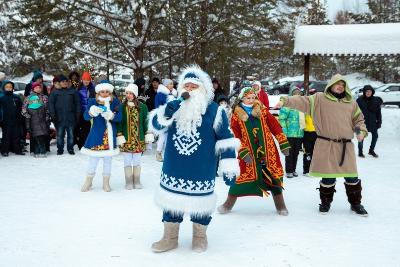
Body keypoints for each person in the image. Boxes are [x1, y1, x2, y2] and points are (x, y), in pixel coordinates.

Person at [149, 65, 240, 253]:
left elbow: (226, 138)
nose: (189, 90)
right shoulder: (173, 106)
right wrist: (166, 113)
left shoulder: (215, 111)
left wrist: (229, 166)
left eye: (194, 87)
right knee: (172, 203)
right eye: (186, 86)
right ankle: (170, 237)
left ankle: (200, 236)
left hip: (202, 168)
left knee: (201, 206)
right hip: (174, 168)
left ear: (204, 90)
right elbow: (156, 127)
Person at [275, 74, 368, 216]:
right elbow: (301, 101)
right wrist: (285, 100)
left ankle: (356, 203)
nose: (340, 87)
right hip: (326, 144)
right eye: (337, 84)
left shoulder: (351, 103)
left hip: (345, 146)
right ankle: (325, 203)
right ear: (331, 85)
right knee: (328, 177)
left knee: (352, 177)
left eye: (343, 85)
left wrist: (360, 131)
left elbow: (358, 120)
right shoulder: (319, 99)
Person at [218, 87, 290, 216]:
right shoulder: (236, 115)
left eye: (253, 97)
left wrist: (283, 143)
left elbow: (275, 126)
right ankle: (227, 205)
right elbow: (236, 135)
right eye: (248, 98)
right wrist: (243, 152)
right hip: (248, 153)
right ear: (242, 99)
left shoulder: (262, 110)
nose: (251, 100)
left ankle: (281, 206)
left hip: (268, 152)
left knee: (274, 178)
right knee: (240, 180)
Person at [80, 81, 122, 192]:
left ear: (110, 92)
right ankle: (88, 182)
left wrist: (111, 115)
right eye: (102, 91)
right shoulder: (93, 101)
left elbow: (120, 117)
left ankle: (106, 183)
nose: (104, 93)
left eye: (107, 91)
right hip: (96, 136)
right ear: (98, 92)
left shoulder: (115, 102)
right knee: (93, 160)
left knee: (108, 161)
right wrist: (91, 112)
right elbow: (85, 117)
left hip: (109, 137)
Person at [116, 84, 153, 189]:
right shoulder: (122, 107)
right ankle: (128, 181)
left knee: (137, 161)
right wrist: (119, 135)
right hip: (126, 139)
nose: (128, 95)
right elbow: (119, 123)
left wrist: (148, 137)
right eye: (127, 93)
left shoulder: (143, 107)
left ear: (135, 95)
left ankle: (136, 181)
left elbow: (146, 122)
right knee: (127, 161)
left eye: (131, 93)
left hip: (138, 139)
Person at [49, 74, 81, 155]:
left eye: (66, 81)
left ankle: (70, 149)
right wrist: (53, 115)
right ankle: (60, 149)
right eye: (63, 81)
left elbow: (77, 103)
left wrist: (78, 113)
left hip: (70, 117)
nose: (65, 83)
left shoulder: (73, 91)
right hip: (59, 118)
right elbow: (51, 104)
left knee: (71, 135)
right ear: (59, 83)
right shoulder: (54, 92)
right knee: (60, 135)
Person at [279, 87, 305, 178]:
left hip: (299, 133)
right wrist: (285, 132)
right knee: (289, 152)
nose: (297, 95)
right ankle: (289, 171)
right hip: (289, 133)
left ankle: (293, 169)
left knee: (296, 152)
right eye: (295, 93)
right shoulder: (288, 105)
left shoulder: (303, 105)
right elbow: (282, 119)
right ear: (292, 95)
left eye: (299, 94)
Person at [22, 82, 50, 158]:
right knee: (34, 137)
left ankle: (43, 151)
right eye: (36, 87)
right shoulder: (28, 98)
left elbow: (47, 108)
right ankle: (34, 151)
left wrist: (47, 117)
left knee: (43, 136)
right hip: (32, 120)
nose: (38, 89)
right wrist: (28, 116)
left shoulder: (44, 97)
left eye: (39, 87)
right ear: (33, 89)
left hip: (42, 119)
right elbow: (24, 109)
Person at [154, 79, 178, 161]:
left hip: (172, 118)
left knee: (169, 136)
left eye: (172, 84)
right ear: (165, 85)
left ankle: (168, 154)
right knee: (163, 135)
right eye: (170, 84)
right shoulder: (160, 94)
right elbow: (158, 106)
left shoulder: (173, 94)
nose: (172, 85)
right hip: (163, 118)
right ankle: (158, 153)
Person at [356, 85, 382, 158]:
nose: (368, 93)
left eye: (370, 91)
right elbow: (355, 112)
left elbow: (378, 113)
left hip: (372, 122)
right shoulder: (359, 100)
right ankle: (360, 152)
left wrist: (379, 122)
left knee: (375, 136)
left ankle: (371, 150)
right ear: (364, 92)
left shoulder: (376, 100)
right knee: (360, 137)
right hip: (361, 123)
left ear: (372, 92)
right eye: (367, 91)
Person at [0, 81, 25, 156]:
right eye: (7, 87)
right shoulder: (1, 97)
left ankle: (17, 150)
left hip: (16, 119)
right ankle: (4, 150)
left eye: (10, 87)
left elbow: (21, 108)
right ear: (4, 88)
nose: (9, 88)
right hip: (5, 120)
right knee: (6, 136)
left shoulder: (16, 97)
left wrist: (21, 118)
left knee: (16, 135)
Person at [75, 71, 96, 149]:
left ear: (90, 80)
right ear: (82, 80)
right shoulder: (79, 88)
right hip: (80, 111)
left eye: (88, 80)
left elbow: (95, 100)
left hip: (89, 112)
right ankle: (80, 143)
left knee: (87, 129)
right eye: (84, 80)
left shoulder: (93, 89)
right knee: (79, 129)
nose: (86, 81)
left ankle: (85, 144)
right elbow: (76, 100)